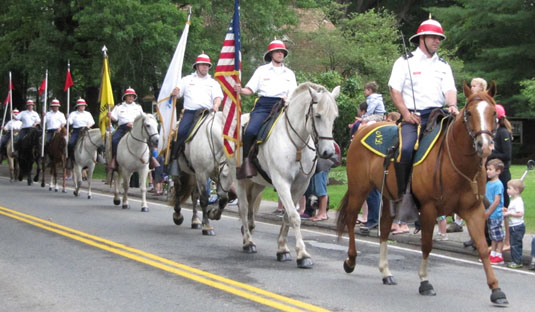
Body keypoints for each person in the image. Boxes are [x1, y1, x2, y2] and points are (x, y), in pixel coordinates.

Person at [388, 17, 458, 197]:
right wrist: (405, 113)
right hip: (414, 118)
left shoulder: (443, 65)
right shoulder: (404, 62)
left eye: (439, 38)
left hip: (439, 116)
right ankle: (403, 194)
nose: (437, 41)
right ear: (422, 38)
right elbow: (395, 90)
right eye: (433, 37)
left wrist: (452, 105)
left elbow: (450, 89)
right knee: (405, 149)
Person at [234, 39, 297, 179]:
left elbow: (293, 93)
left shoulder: (290, 73)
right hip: (264, 105)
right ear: (271, 54)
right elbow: (250, 90)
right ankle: (246, 162)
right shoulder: (261, 70)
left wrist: (288, 100)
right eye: (277, 51)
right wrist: (240, 90)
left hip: (283, 106)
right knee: (250, 131)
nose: (280, 54)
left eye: (282, 52)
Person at [169, 53, 223, 176]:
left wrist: (216, 105)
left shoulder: (213, 82)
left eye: (207, 65)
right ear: (197, 66)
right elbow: (178, 94)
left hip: (208, 114)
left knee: (219, 134)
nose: (205, 67)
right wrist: (175, 93)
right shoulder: (187, 80)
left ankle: (221, 163)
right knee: (180, 132)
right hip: (190, 113)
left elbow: (218, 97)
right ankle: (175, 160)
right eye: (202, 65)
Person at [448, 77, 489, 234]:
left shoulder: (483, 105)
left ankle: (487, 228)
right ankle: (459, 220)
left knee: (480, 194)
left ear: (482, 87)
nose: (471, 88)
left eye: (474, 86)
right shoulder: (469, 104)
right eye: (471, 85)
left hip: (481, 153)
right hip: (471, 152)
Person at [487, 104, 513, 250]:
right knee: (494, 208)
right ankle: (495, 241)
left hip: (502, 174)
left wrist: (492, 154)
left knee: (504, 208)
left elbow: (507, 155)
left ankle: (507, 241)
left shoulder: (503, 132)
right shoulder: (493, 132)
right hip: (494, 172)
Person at [108, 87, 144, 169]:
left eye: (132, 96)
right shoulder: (119, 107)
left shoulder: (138, 107)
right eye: (129, 96)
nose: (131, 97)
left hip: (136, 127)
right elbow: (115, 118)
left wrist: (133, 123)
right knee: (114, 140)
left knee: (148, 139)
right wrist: (110, 116)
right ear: (125, 97)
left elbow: (142, 118)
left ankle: (150, 158)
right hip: (123, 127)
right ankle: (115, 159)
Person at [502, 179, 525, 268]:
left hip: (517, 227)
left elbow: (520, 213)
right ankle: (515, 260)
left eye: (509, 188)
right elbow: (513, 210)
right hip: (513, 226)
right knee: (513, 244)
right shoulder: (513, 200)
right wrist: (507, 210)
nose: (507, 190)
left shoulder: (518, 201)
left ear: (517, 190)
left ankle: (517, 261)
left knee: (516, 244)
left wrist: (509, 213)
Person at [485, 159, 505, 265]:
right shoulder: (488, 183)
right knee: (493, 236)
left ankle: (499, 254)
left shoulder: (498, 184)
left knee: (498, 236)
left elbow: (496, 201)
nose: (488, 171)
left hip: (495, 214)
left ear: (498, 171)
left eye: (490, 169)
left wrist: (488, 213)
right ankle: (492, 253)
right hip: (489, 214)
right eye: (487, 169)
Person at [67, 98, 95, 167]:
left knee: (95, 141)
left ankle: (98, 156)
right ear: (78, 106)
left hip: (86, 129)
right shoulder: (73, 114)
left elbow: (92, 122)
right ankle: (70, 158)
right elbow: (70, 122)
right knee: (70, 143)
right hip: (77, 131)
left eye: (84, 105)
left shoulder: (88, 114)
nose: (83, 106)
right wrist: (68, 118)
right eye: (81, 105)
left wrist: (87, 126)